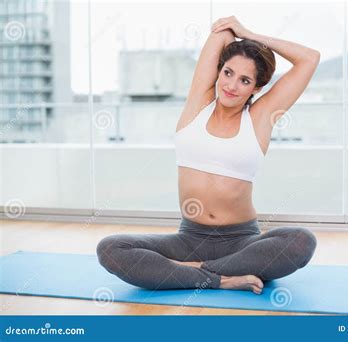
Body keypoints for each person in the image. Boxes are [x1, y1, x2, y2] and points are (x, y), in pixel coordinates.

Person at [97, 16, 321, 295]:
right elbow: (222, 34)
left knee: (301, 241)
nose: (231, 85)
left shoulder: (260, 117)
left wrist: (250, 34)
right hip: (188, 239)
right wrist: (239, 38)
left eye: (245, 80)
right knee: (110, 249)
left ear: (257, 88)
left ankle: (188, 270)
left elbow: (310, 58)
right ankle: (223, 277)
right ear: (219, 71)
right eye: (227, 72)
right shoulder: (198, 104)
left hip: (242, 241)